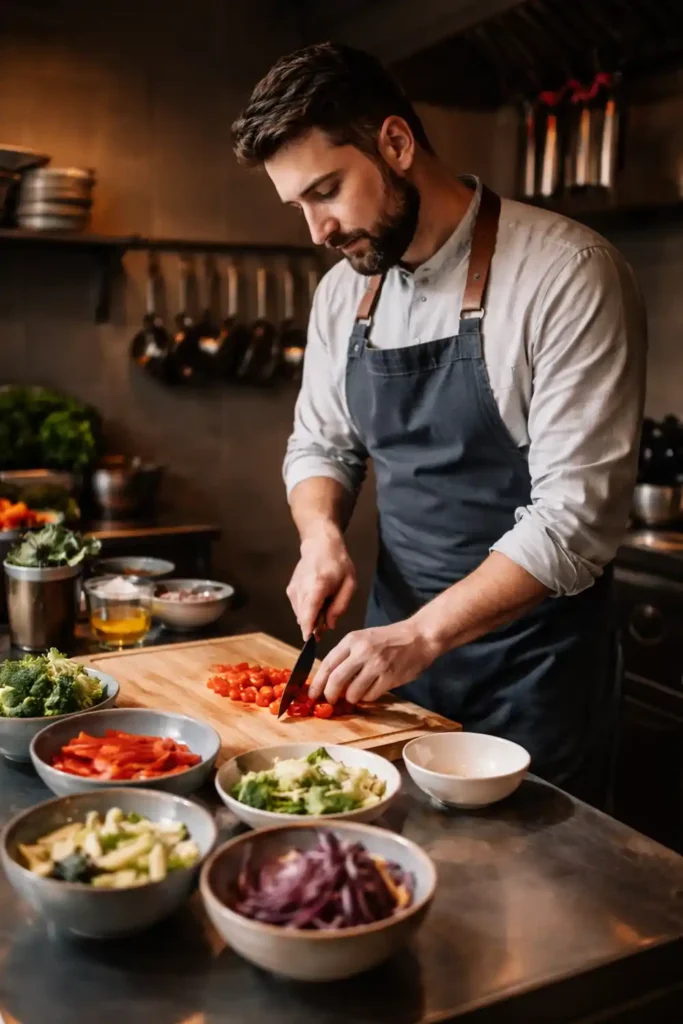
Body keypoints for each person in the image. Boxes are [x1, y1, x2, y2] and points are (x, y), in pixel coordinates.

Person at [232, 42, 647, 807]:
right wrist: (320, 536)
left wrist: (422, 635)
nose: (317, 230)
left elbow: (573, 522)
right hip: (390, 665)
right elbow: (321, 443)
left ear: (394, 143)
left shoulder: (566, 272)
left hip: (532, 674)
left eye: (327, 191)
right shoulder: (342, 293)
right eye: (299, 205)